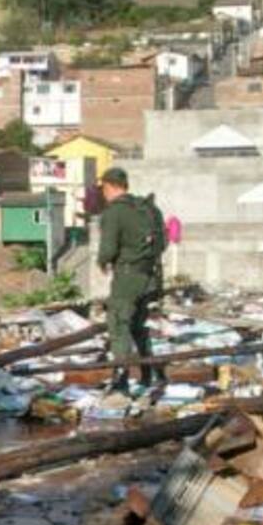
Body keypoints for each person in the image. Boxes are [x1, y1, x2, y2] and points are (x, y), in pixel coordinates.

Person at [96, 167, 167, 391]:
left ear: (108, 186)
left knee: (118, 324)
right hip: (150, 275)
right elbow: (163, 242)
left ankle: (121, 381)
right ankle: (149, 375)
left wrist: (102, 262)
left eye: (103, 189)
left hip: (128, 275)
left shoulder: (115, 212)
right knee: (138, 325)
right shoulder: (148, 208)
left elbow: (107, 248)